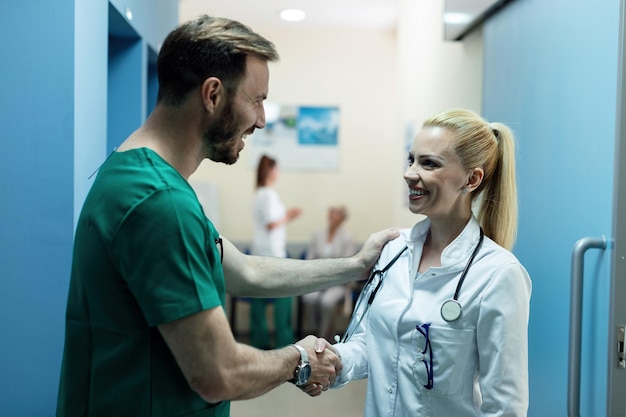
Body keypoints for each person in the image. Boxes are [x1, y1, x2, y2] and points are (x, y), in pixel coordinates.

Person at [55, 15, 399, 417]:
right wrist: (298, 358)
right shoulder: (158, 202)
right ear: (213, 95)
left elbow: (247, 272)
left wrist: (357, 265)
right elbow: (218, 373)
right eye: (257, 100)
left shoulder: (140, 175)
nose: (262, 119)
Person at [327, 109, 532, 416]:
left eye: (429, 163)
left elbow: (504, 406)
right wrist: (330, 360)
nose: (410, 173)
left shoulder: (498, 274)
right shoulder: (394, 250)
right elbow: (373, 344)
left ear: (471, 179)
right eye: (411, 160)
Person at [249, 154, 302, 349]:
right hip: (273, 256)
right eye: (277, 169)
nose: (278, 173)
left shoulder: (259, 194)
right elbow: (272, 224)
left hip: (260, 253)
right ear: (271, 171)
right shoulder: (268, 194)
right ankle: (284, 343)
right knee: (283, 299)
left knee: (259, 300)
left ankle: (260, 341)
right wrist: (290, 214)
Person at [302, 205, 356, 340]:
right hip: (318, 280)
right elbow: (310, 259)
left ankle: (323, 337)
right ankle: (313, 333)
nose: (331, 215)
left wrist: (331, 277)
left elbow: (347, 264)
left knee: (326, 302)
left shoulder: (347, 237)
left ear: (342, 218)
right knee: (309, 298)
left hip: (338, 283)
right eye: (330, 212)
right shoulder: (318, 234)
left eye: (335, 213)